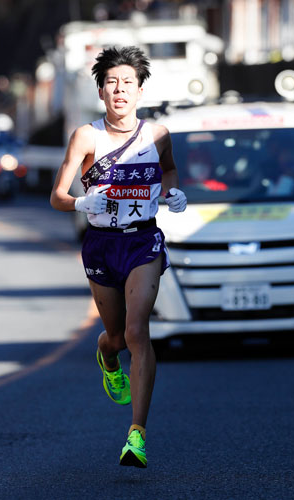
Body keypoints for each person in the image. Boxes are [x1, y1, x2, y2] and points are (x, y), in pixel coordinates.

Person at [50, 46, 186, 468]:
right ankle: (106, 356)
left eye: (128, 82)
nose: (120, 89)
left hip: (143, 241)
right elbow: (56, 196)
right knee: (114, 336)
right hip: (101, 245)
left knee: (136, 330)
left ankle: (137, 435)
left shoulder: (157, 134)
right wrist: (81, 203)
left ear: (140, 91)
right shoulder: (86, 136)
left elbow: (168, 169)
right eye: (112, 83)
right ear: (101, 91)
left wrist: (172, 192)